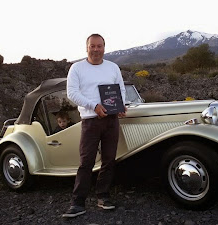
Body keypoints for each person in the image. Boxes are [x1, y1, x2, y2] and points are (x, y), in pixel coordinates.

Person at [63, 33, 127, 218]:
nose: (96, 49)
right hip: (91, 121)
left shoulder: (113, 67)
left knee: (109, 160)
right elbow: (72, 93)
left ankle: (103, 196)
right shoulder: (77, 68)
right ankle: (78, 203)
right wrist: (94, 106)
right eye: (93, 46)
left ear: (104, 48)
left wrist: (121, 105)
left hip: (111, 120)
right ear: (87, 47)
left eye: (99, 46)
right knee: (86, 162)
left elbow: (120, 89)